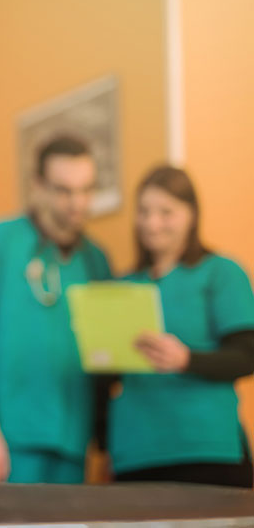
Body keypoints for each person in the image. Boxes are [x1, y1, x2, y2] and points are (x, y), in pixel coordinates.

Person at [0, 136, 111, 484]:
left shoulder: (96, 261)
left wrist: (102, 440)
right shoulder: (0, 241)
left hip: (71, 443)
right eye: (64, 190)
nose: (77, 202)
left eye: (85, 190)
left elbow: (103, 360)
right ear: (37, 186)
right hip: (4, 443)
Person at [106, 165, 254, 487]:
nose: (152, 223)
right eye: (144, 212)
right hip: (136, 453)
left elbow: (247, 355)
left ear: (191, 215)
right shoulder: (121, 285)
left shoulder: (222, 273)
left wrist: (186, 360)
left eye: (166, 212)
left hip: (207, 451)